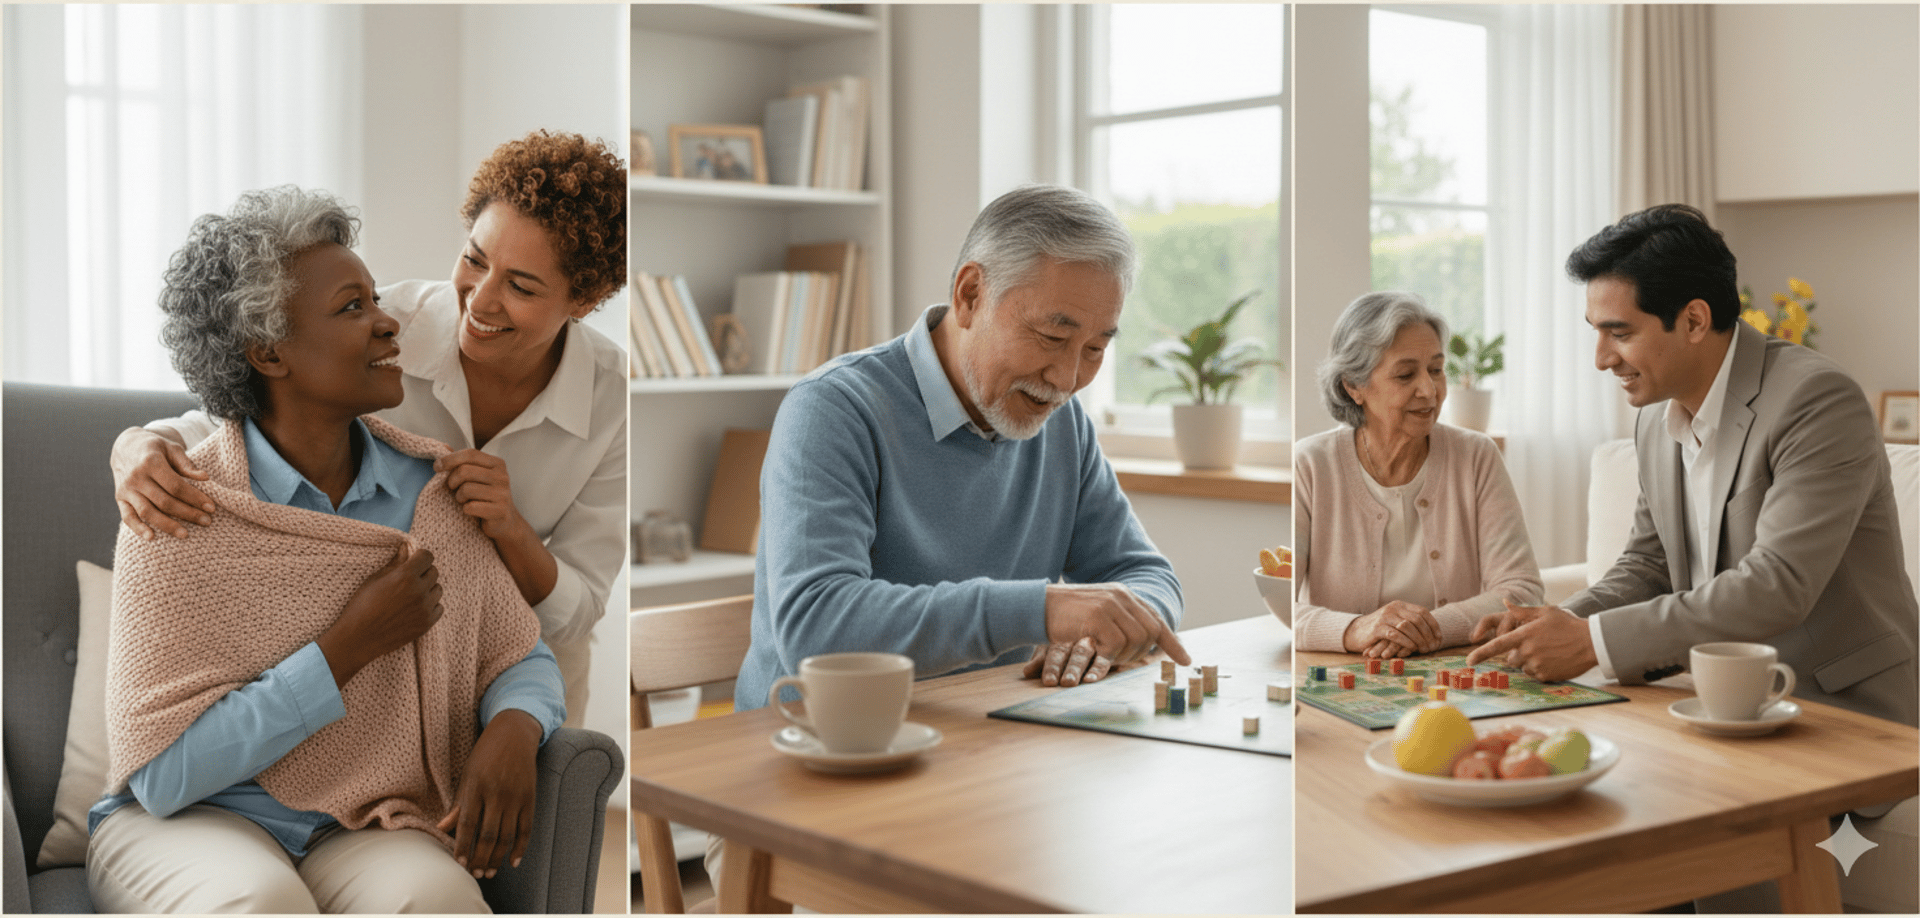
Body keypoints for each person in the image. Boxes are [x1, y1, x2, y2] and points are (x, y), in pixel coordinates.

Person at [90, 188, 566, 913]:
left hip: (371, 816)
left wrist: (514, 725)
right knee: (257, 903)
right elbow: (163, 775)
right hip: (194, 816)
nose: (388, 322)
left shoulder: (437, 491)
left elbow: (518, 651)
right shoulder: (177, 503)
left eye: (376, 299)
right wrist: (346, 647)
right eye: (352, 308)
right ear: (267, 352)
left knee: (439, 902)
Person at [109, 130, 627, 725]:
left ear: (582, 299)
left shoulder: (612, 398)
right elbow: (237, 421)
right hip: (386, 680)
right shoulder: (383, 330)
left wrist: (510, 529)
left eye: (521, 286)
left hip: (523, 677)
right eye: (474, 260)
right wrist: (133, 445)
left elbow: (576, 610)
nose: (480, 301)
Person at [736, 183, 1190, 712]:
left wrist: (1109, 632)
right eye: (1050, 336)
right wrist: (1042, 611)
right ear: (970, 294)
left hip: (980, 736)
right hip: (809, 749)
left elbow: (1146, 576)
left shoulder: (1065, 426)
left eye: (1094, 349)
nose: (1067, 379)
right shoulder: (832, 409)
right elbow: (817, 627)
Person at [1467, 203, 1918, 730]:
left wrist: (1590, 643)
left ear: (1695, 320)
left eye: (1620, 332)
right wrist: (1561, 620)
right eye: (1595, 331)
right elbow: (1647, 565)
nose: (1601, 358)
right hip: (1713, 702)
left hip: (1843, 710)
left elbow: (1778, 583)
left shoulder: (1816, 399)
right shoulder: (1655, 420)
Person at [1293, 291, 1543, 658]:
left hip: (1458, 675)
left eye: (1437, 370)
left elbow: (1520, 591)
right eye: (1406, 374)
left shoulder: (1476, 456)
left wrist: (1428, 630)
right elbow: (1281, 604)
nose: (1429, 390)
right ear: (1354, 386)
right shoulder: (1311, 464)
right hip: (1343, 679)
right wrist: (1356, 629)